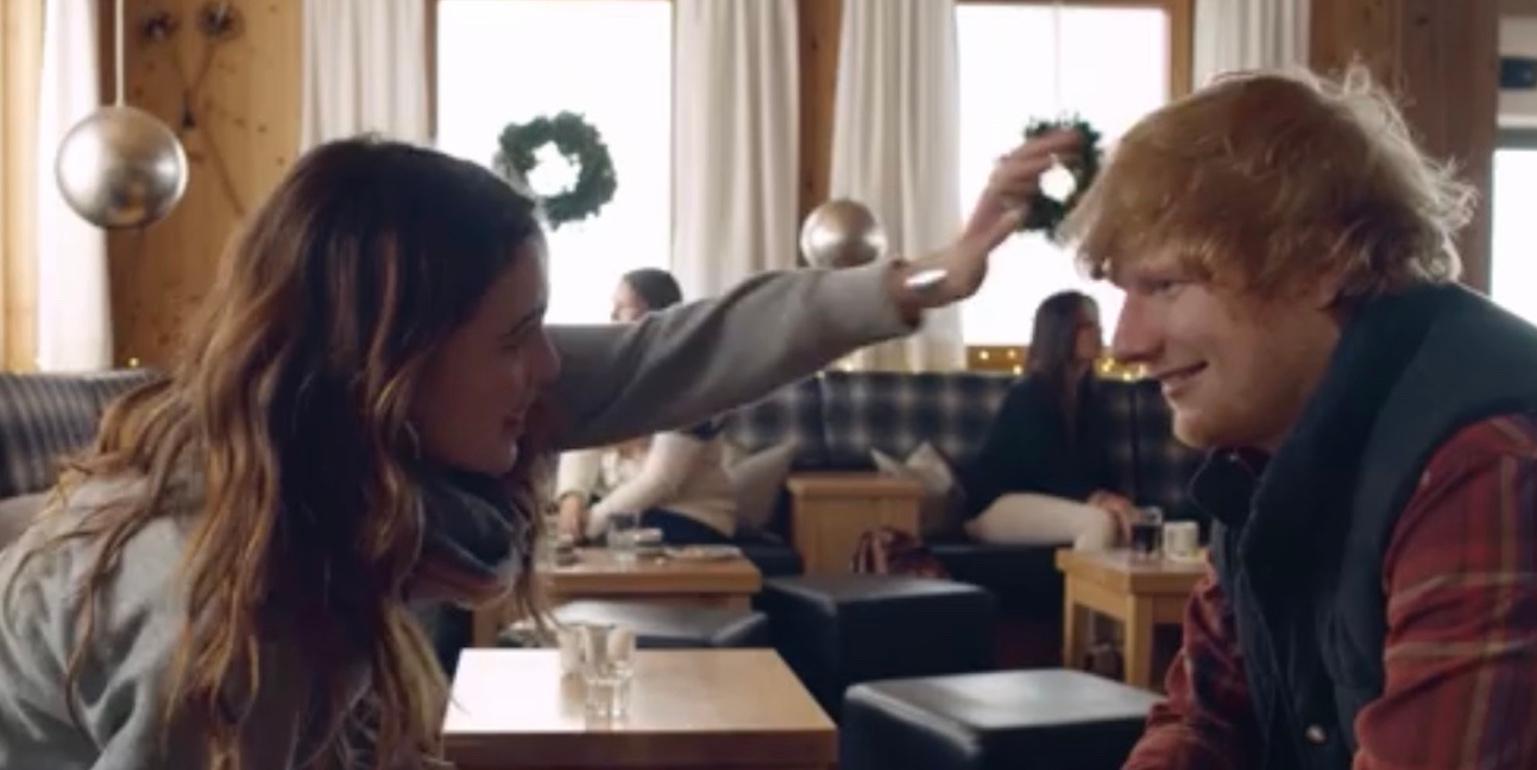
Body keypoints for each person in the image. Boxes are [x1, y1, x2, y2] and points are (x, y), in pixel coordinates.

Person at [0, 129, 1077, 769]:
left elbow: (669, 354)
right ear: (389, 359)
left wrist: (928, 276)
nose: (551, 368)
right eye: (516, 337)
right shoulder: (222, 602)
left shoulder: (321, 453)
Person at [1062, 68, 1537, 769]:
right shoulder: (1264, 450)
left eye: (1164, 285)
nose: (1126, 343)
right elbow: (1203, 720)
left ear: (1318, 264)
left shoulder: (1481, 464)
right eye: (1124, 293)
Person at [555, 268, 738, 545]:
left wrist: (589, 525)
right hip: (618, 509)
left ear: (658, 318)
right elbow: (584, 440)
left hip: (688, 516)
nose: (612, 316)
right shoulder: (612, 374)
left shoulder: (693, 384)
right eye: (613, 306)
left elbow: (660, 480)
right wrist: (572, 498)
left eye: (623, 308)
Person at [960, 290, 1135, 549]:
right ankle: (1083, 579)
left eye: (1098, 324)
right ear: (1061, 332)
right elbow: (1044, 468)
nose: (1099, 332)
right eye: (1087, 326)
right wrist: (1098, 498)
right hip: (999, 505)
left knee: (1122, 520)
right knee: (1098, 522)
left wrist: (1121, 503)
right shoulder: (1029, 392)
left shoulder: (1090, 398)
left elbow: (1100, 468)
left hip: (1055, 503)